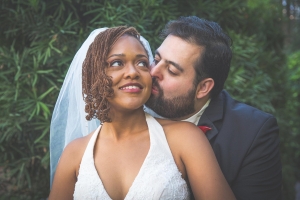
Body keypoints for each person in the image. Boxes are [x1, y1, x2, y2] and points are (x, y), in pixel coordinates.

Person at [49, 26, 236, 199]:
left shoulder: (185, 138)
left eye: (142, 63)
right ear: (93, 76)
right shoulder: (75, 153)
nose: (133, 72)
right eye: (116, 63)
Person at [144, 16, 282, 200]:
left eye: (172, 71)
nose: (153, 72)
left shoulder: (253, 132)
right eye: (157, 59)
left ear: (203, 88)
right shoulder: (127, 108)